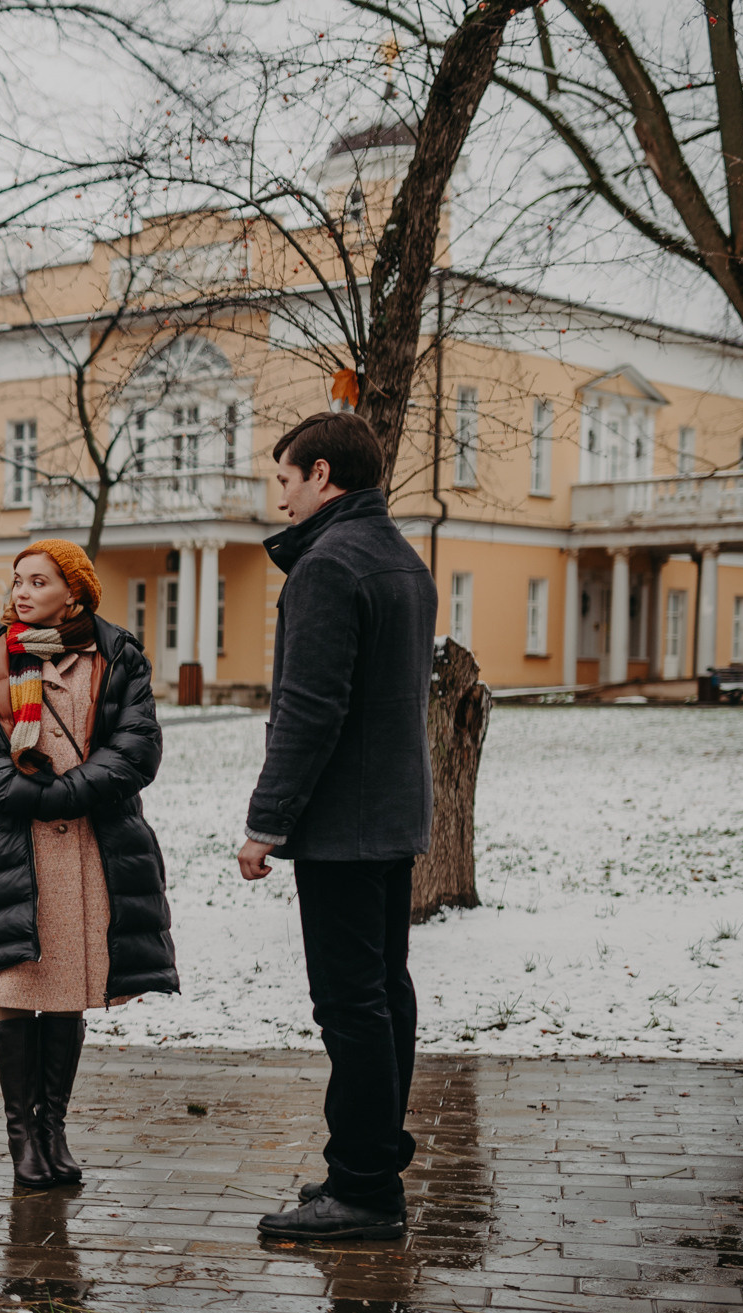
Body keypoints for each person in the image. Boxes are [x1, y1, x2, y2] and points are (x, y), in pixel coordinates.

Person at [238, 412, 436, 1242]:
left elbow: (310, 709)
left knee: (351, 1005)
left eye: (286, 479)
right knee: (384, 995)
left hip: (344, 825)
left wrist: (265, 822)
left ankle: (363, 1190)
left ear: (322, 474)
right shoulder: (403, 557)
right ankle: (369, 1162)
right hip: (391, 815)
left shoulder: (327, 565)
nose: (280, 497)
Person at [0, 538, 178, 1192]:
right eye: (18, 580)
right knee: (18, 988)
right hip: (14, 851)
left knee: (69, 987)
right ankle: (23, 1138)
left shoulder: (117, 654)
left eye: (38, 581)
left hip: (87, 850)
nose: (22, 592)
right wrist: (29, 795)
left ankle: (54, 1130)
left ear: (73, 593)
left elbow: (137, 748)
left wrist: (69, 792)